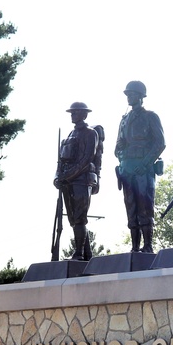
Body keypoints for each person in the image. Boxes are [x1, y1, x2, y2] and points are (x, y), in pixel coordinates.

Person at [115, 80, 166, 253]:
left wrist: (144, 164)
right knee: (130, 207)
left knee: (145, 206)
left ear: (141, 96)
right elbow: (118, 146)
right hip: (128, 170)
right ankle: (135, 247)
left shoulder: (150, 116)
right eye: (128, 94)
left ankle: (148, 245)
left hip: (144, 169)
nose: (129, 97)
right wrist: (124, 162)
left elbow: (160, 143)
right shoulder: (124, 120)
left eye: (132, 94)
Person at [55, 101, 100, 261]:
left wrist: (68, 175)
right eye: (71, 113)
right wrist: (57, 177)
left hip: (82, 180)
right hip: (69, 182)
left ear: (84, 114)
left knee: (80, 217)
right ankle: (86, 254)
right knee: (73, 219)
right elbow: (61, 160)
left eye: (75, 112)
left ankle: (79, 253)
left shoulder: (90, 133)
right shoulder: (70, 135)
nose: (72, 115)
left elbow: (87, 159)